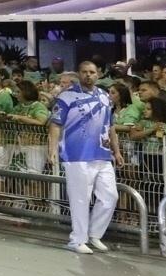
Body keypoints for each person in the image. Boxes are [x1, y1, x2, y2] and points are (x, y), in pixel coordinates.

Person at [46, 59, 123, 254]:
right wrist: (53, 149)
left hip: (102, 154)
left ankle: (94, 234)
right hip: (76, 155)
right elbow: (55, 124)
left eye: (92, 72)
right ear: (79, 74)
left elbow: (111, 126)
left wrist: (117, 151)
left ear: (98, 74)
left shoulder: (104, 96)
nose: (88, 75)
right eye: (84, 72)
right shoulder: (66, 96)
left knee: (110, 196)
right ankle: (77, 240)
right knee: (80, 199)